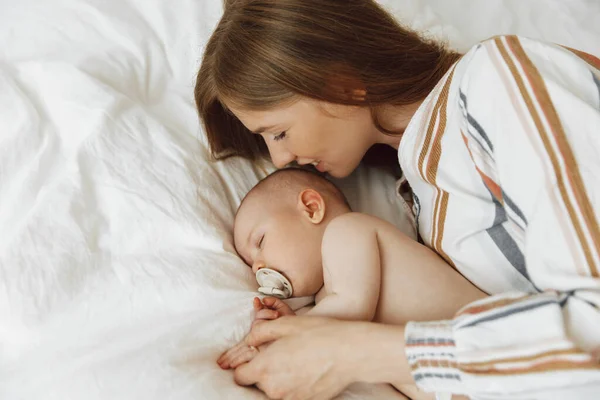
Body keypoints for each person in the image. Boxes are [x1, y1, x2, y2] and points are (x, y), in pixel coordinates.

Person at [195, 0, 600, 398]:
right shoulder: (420, 193)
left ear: (338, 84)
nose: (280, 159)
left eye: (278, 133)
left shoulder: (498, 78)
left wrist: (351, 352)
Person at [217, 168, 485, 399]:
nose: (258, 267)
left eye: (261, 242)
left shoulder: (346, 230)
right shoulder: (325, 298)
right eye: (251, 262)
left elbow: (354, 307)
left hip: (486, 343)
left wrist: (284, 332)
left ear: (311, 208)